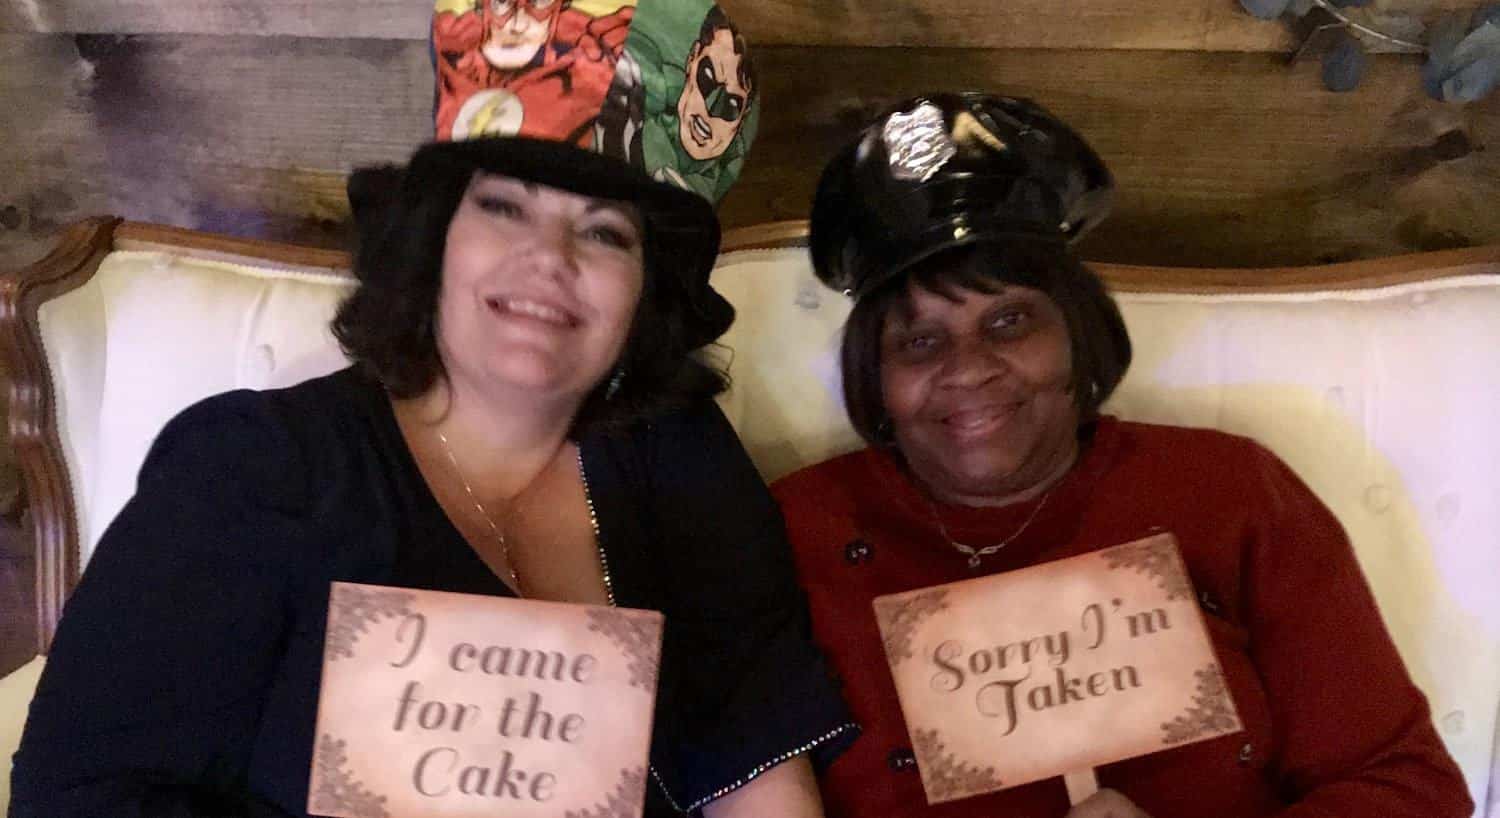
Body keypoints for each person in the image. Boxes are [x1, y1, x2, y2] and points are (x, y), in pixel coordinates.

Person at [9, 3, 855, 816]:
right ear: (434, 239)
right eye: (503, 205)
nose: (548, 259)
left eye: (605, 233)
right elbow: (78, 794)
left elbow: (758, 757)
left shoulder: (675, 453)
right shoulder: (256, 469)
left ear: (644, 294)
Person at [772, 92, 1473, 818]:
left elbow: (1406, 790)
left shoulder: (1229, 495)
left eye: (1010, 322)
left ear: (1078, 332)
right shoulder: (785, 531)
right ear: (873, 377)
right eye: (919, 341)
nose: (969, 368)